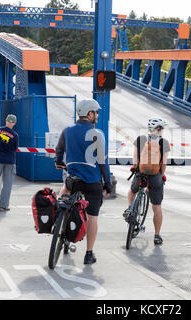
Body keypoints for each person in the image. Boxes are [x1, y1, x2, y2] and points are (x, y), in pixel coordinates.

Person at [54, 99, 112, 265]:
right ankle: (89, 253)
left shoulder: (67, 131)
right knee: (93, 217)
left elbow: (59, 150)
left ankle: (60, 222)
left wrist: (58, 161)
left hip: (74, 181)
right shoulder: (98, 134)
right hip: (93, 182)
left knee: (64, 193)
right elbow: (103, 162)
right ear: (89, 114)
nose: (97, 116)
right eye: (96, 112)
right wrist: (107, 184)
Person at [124, 117, 170, 246]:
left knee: (132, 191)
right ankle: (157, 235)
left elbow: (134, 157)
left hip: (141, 173)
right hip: (155, 176)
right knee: (156, 206)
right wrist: (162, 174)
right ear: (159, 129)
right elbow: (164, 163)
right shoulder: (164, 142)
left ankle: (129, 208)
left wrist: (135, 167)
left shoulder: (140, 139)